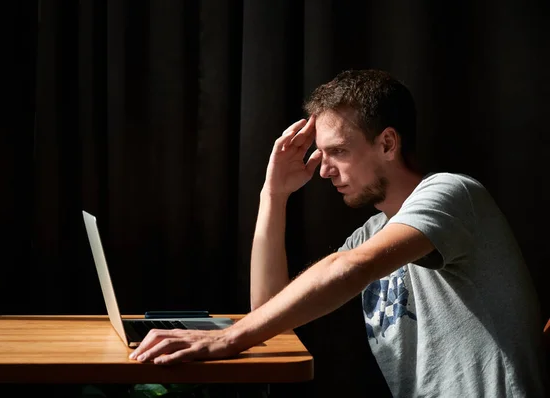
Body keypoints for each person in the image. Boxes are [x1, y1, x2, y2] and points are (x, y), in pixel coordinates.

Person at [129, 70, 546, 397]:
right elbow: (270, 310)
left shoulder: (452, 193)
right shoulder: (374, 233)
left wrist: (227, 340)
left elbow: (348, 268)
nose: (324, 170)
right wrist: (272, 195)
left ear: (387, 143)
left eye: (339, 152)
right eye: (321, 154)